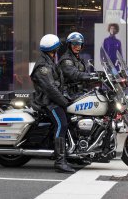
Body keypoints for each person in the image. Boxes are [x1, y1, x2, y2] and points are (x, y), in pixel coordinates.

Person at [30, 34, 75, 173]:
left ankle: (72, 153)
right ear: (53, 49)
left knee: (71, 119)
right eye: (57, 48)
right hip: (47, 102)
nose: (58, 51)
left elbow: (58, 84)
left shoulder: (50, 61)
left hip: (53, 99)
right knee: (62, 124)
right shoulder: (43, 66)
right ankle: (60, 161)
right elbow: (50, 88)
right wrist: (64, 102)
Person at [58, 32, 93, 99]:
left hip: (79, 92)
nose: (77, 46)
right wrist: (91, 76)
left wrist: (97, 75)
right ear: (69, 45)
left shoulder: (77, 58)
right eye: (74, 44)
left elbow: (83, 73)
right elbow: (75, 74)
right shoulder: (66, 60)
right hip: (69, 94)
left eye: (79, 44)